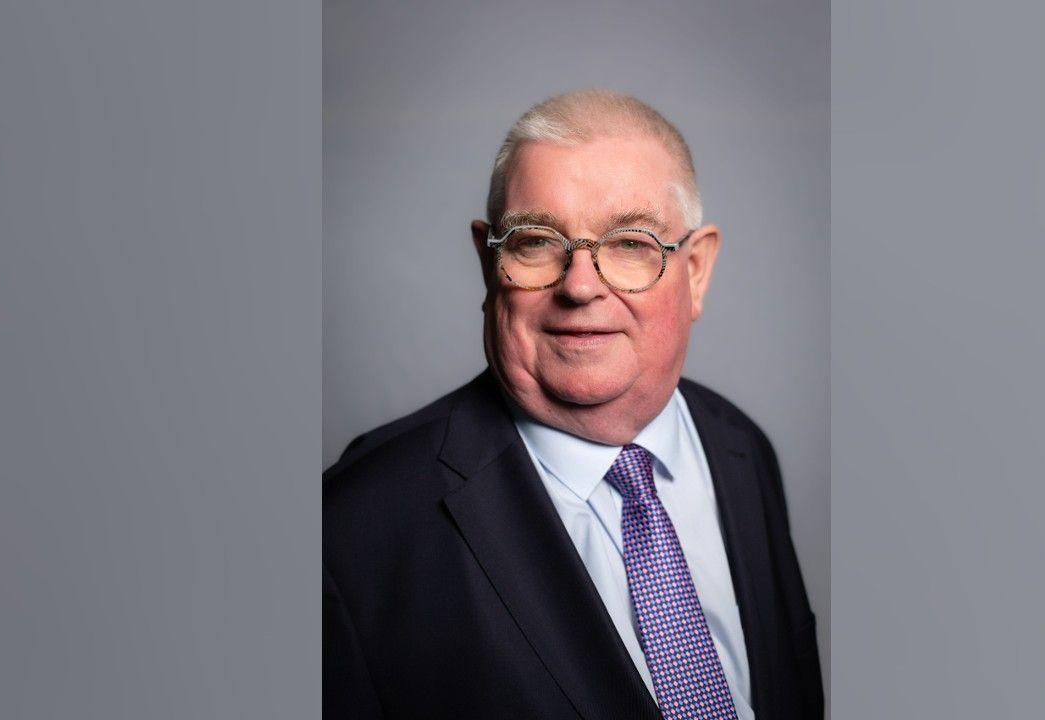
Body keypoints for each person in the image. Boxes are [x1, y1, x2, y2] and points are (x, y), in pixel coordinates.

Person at [324, 89, 823, 719]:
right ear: (489, 264)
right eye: (536, 242)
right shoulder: (350, 533)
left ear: (696, 271)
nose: (581, 286)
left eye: (630, 243)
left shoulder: (742, 448)